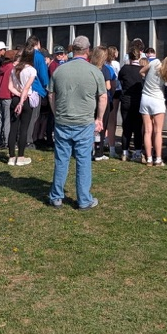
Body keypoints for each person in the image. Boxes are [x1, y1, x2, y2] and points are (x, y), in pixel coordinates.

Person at [47, 35, 107, 210]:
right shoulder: (94, 71)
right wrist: (99, 119)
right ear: (88, 51)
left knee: (62, 159)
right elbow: (103, 96)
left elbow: (51, 95)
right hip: (84, 122)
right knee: (83, 160)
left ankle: (56, 196)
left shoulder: (59, 70)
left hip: (63, 120)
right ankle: (84, 199)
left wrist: (56, 113)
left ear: (72, 49)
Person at [7, 50, 35, 167]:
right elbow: (27, 87)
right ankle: (21, 156)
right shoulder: (31, 70)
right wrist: (22, 100)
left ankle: (11, 156)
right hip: (26, 99)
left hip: (15, 99)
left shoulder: (14, 69)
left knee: (13, 128)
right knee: (23, 129)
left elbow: (10, 87)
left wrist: (18, 95)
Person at [139, 47, 166, 166]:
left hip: (145, 97)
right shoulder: (166, 71)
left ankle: (149, 158)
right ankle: (158, 158)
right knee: (158, 131)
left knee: (147, 131)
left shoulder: (154, 62)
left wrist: (146, 78)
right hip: (158, 98)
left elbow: (141, 71)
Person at [23, 36, 50, 148]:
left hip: (24, 88)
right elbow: (43, 75)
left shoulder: (24, 55)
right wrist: (47, 86)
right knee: (34, 117)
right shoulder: (38, 56)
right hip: (36, 88)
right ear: (37, 43)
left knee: (24, 117)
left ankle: (23, 138)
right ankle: (29, 140)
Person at [118, 45, 144, 160]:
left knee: (126, 126)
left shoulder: (124, 69)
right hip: (138, 100)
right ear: (139, 56)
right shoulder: (141, 70)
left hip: (126, 100)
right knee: (138, 127)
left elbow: (120, 81)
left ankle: (124, 152)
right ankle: (138, 151)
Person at [90, 45, 114, 161]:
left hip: (90, 100)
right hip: (102, 100)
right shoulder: (105, 69)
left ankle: (90, 150)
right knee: (101, 126)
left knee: (90, 126)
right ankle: (98, 152)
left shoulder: (89, 67)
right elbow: (108, 86)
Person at [0, 48, 16, 151]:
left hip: (0, 94)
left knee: (0, 118)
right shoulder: (11, 68)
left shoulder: (2, 67)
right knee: (7, 119)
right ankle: (6, 141)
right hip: (7, 95)